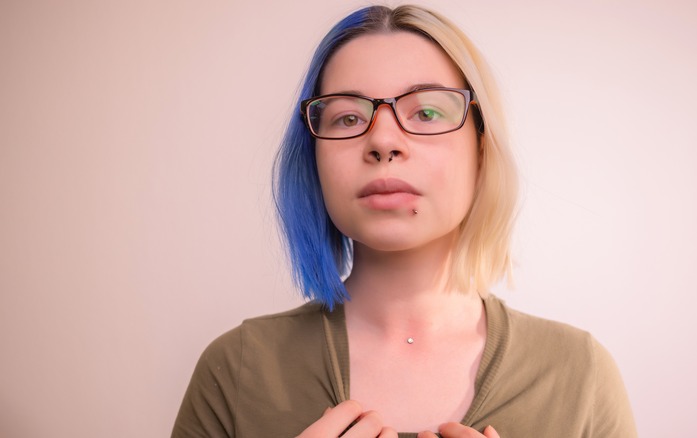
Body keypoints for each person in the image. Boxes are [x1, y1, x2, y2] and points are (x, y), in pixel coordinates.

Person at [172, 5, 637, 438]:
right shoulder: (234, 371)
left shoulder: (581, 375)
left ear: (480, 146)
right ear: (313, 157)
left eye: (428, 112)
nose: (384, 141)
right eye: (348, 117)